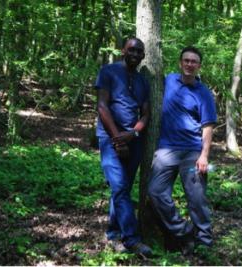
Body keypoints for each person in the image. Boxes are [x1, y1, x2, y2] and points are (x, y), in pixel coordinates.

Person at [148, 46, 217, 250]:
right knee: (155, 191)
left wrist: (204, 156)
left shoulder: (204, 93)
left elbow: (208, 127)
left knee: (196, 197)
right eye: (186, 60)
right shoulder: (167, 81)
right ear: (180, 63)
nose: (189, 64)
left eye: (193, 61)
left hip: (192, 152)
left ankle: (204, 240)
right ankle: (184, 231)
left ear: (199, 66)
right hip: (166, 150)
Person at [94, 37, 152, 256]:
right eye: (132, 50)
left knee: (123, 189)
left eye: (140, 52)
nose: (136, 55)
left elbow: (146, 114)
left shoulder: (142, 80)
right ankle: (132, 239)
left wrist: (134, 133)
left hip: (134, 140)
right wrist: (118, 138)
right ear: (123, 51)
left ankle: (113, 234)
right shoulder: (108, 72)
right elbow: (102, 106)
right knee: (118, 186)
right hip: (110, 139)